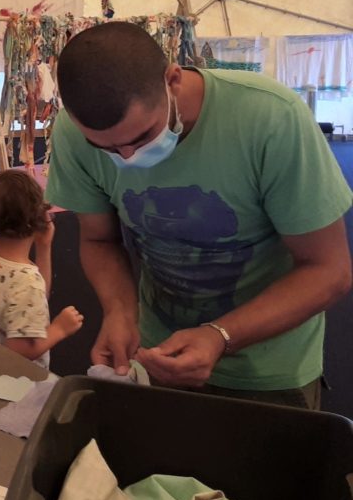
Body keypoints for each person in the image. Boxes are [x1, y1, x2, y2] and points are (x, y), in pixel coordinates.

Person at [46, 21, 352, 408]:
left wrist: (221, 335)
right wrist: (120, 311)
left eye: (141, 138)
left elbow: (329, 271)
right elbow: (98, 238)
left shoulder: (271, 119)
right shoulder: (73, 134)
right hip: (159, 354)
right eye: (103, 147)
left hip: (270, 367)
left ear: (172, 80)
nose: (126, 158)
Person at [0, 169, 83, 367]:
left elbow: (34, 302)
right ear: (40, 217)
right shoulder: (27, 283)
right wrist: (59, 330)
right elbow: (18, 351)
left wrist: (43, 247)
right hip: (17, 379)